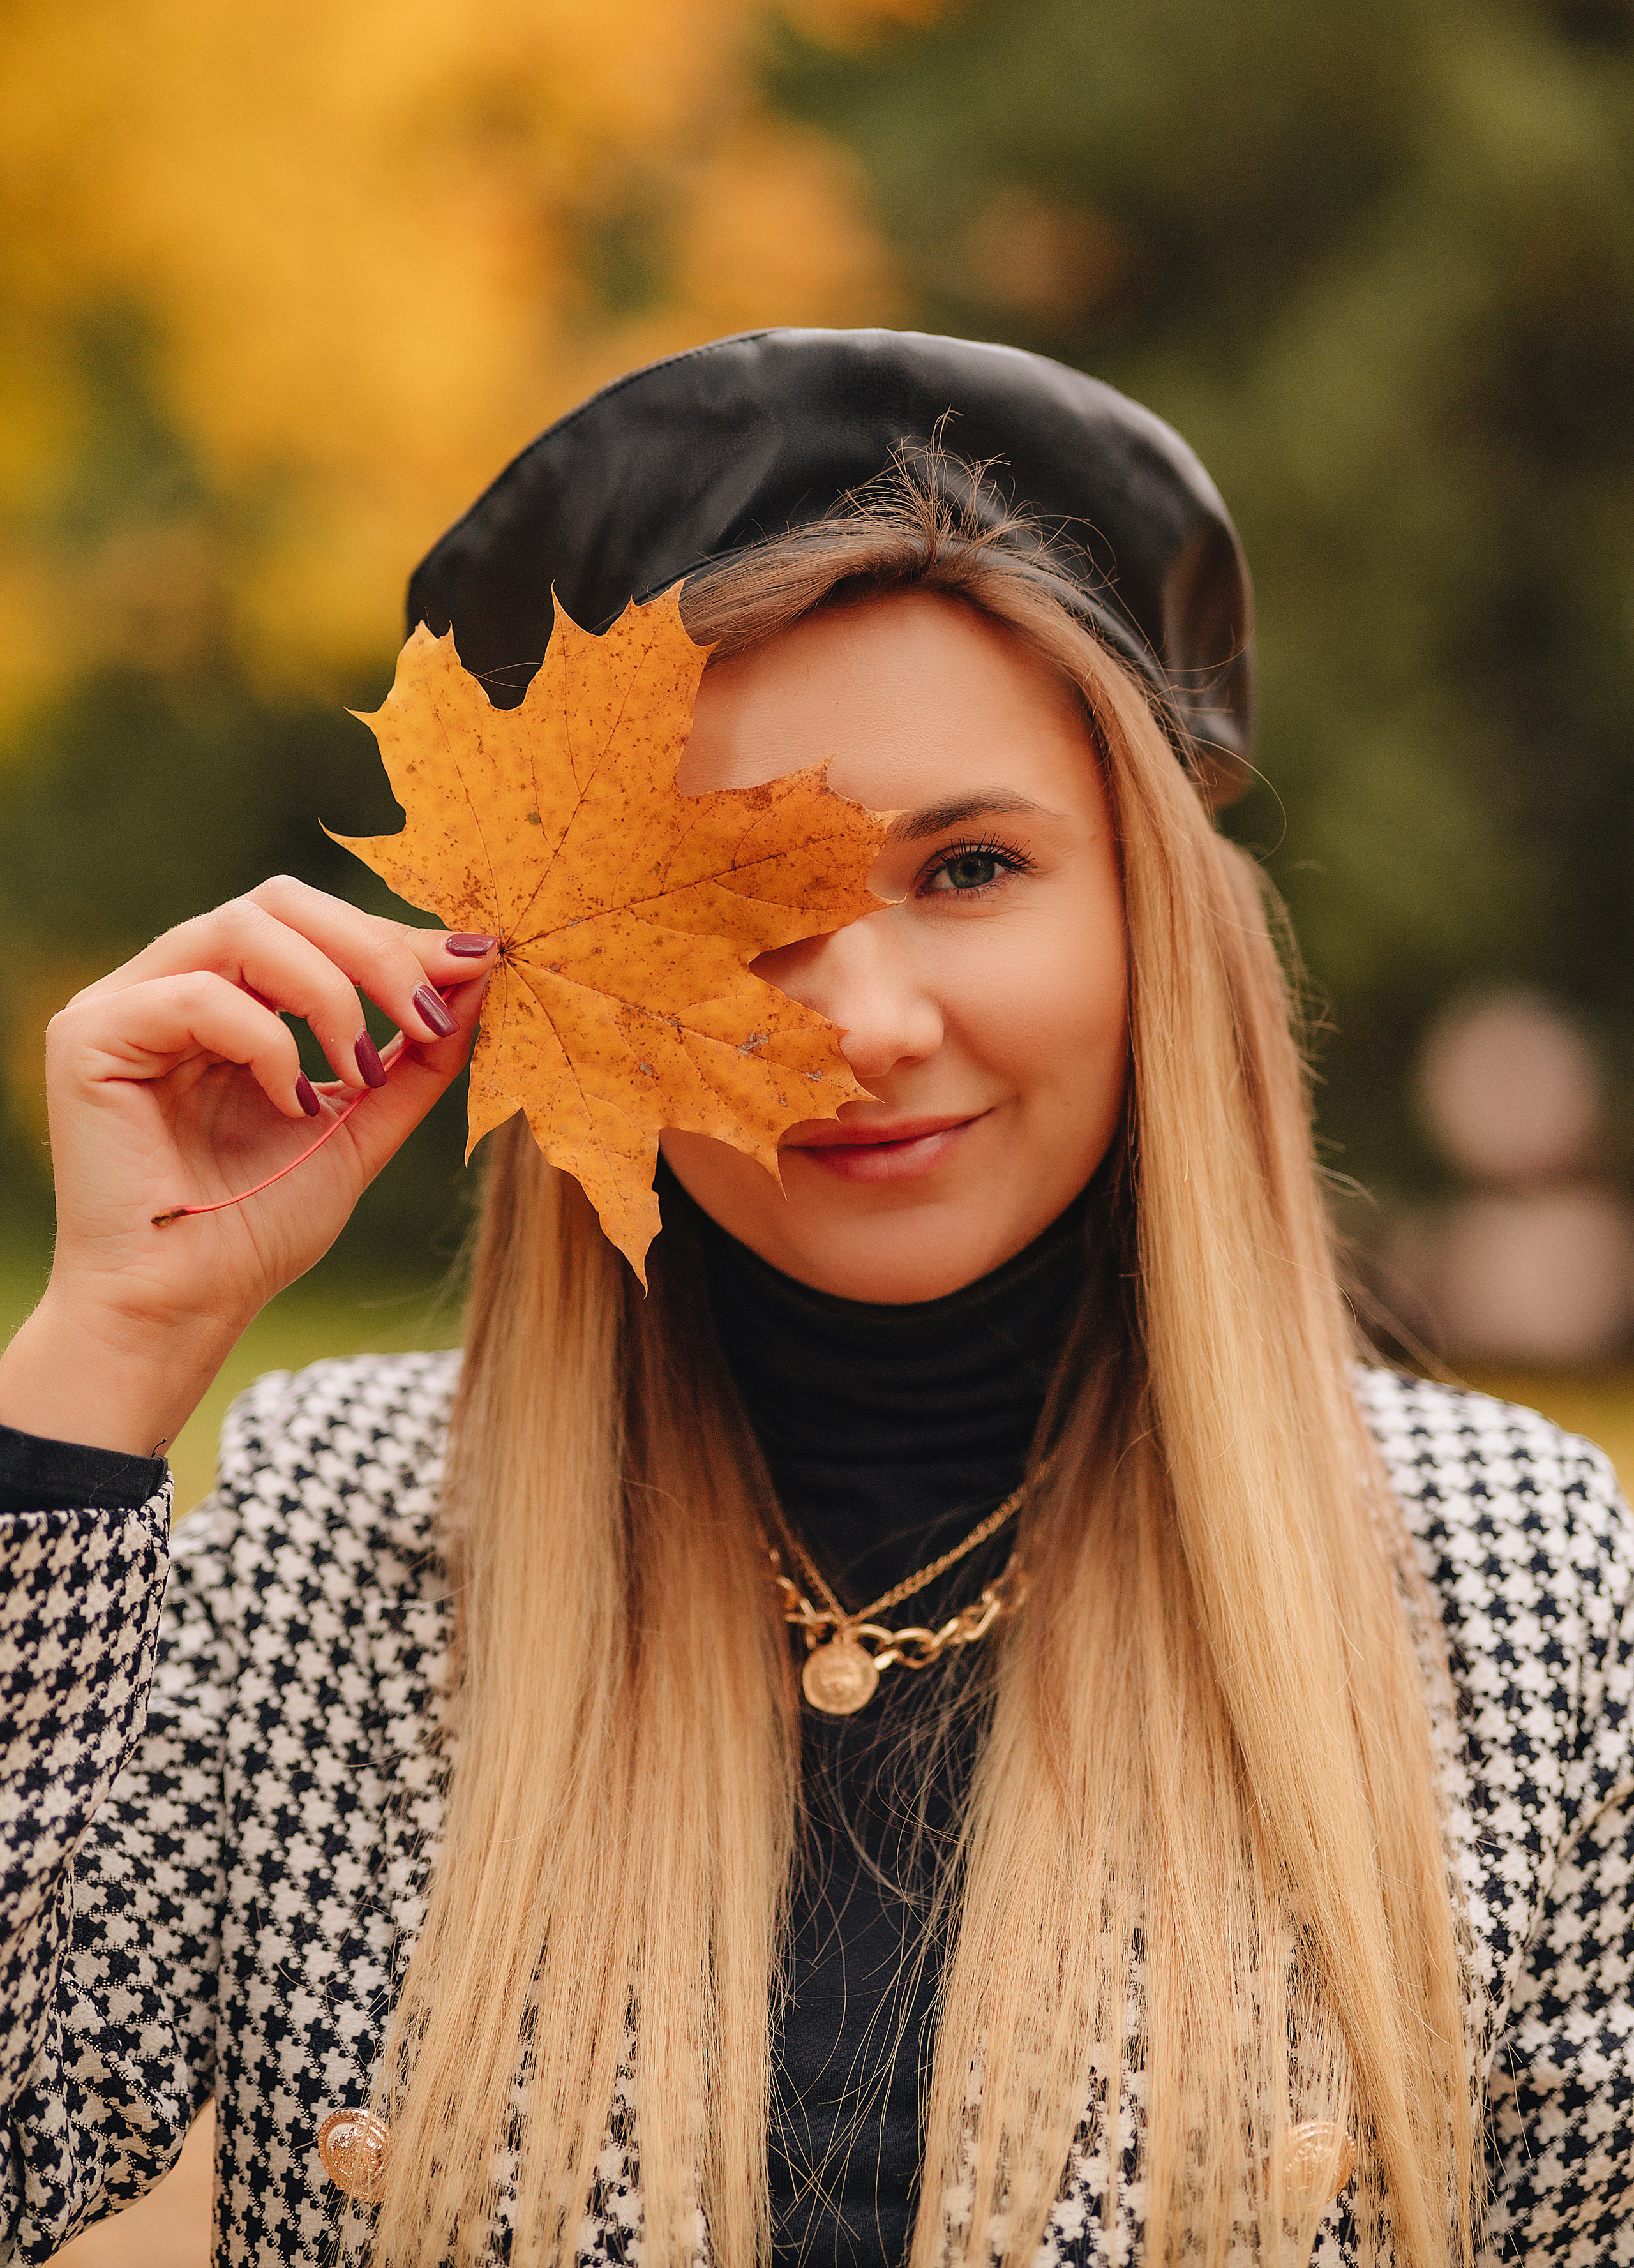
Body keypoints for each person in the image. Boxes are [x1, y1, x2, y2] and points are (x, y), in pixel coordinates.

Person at [0, 328, 1628, 2268]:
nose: (859, 1023)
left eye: (968, 867)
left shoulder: (1514, 1584)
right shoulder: (329, 1533)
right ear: (546, 978)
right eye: (729, 904)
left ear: (1152, 927)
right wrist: (107, 1349)